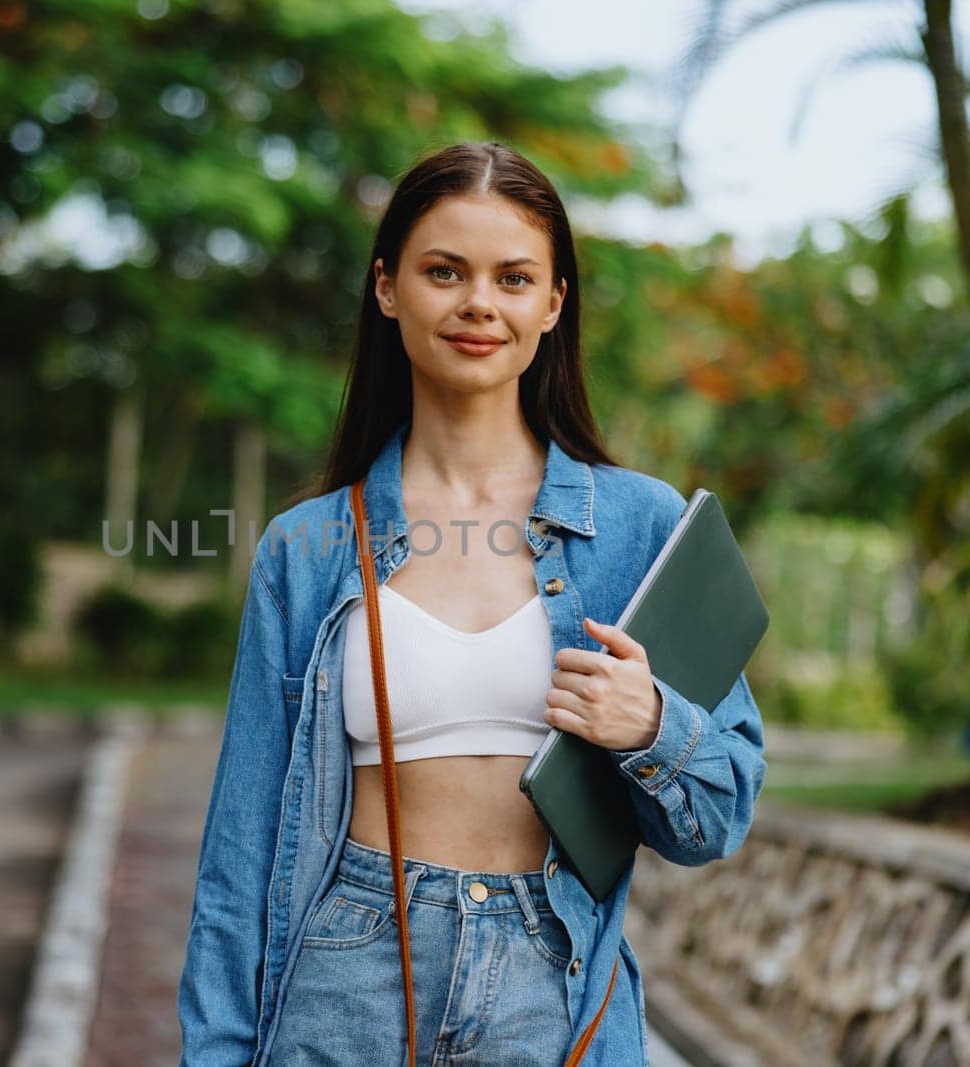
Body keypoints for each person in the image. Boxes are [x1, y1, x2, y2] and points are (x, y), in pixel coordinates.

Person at [177, 141, 766, 1065]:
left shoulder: (643, 526)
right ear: (387, 288)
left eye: (514, 277)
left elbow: (717, 818)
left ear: (553, 303)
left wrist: (650, 724)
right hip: (347, 975)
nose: (478, 303)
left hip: (553, 982)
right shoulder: (307, 547)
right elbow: (241, 851)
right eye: (443, 271)